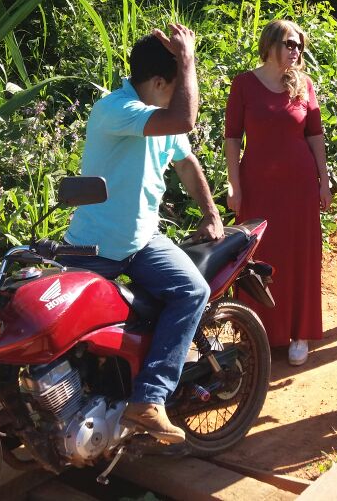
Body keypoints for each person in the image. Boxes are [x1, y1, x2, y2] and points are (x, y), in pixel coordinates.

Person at [61, 26, 223, 445]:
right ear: (158, 83)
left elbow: (187, 164)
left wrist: (210, 212)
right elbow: (185, 117)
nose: (178, 91)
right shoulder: (117, 110)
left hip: (143, 241)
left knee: (192, 292)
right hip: (93, 248)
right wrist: (187, 59)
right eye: (177, 83)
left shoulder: (159, 120)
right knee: (65, 335)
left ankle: (148, 399)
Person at [224, 19, 331, 366]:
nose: (295, 50)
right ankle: (257, 333)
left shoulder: (304, 84)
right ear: (269, 44)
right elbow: (232, 139)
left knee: (299, 255)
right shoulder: (243, 84)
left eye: (299, 45)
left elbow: (315, 135)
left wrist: (323, 180)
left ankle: (299, 333)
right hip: (257, 184)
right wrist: (234, 185)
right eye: (289, 43)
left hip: (299, 185)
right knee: (257, 258)